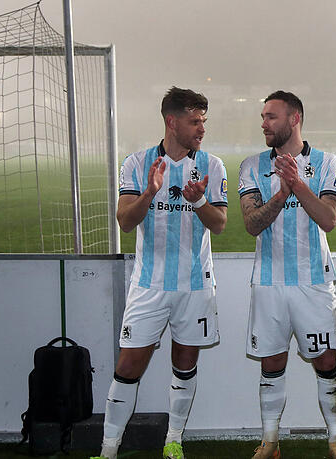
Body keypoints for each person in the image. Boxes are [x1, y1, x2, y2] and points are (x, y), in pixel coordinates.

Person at [93, 87, 228, 459]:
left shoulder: (212, 166)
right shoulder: (136, 164)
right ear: (172, 121)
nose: (202, 129)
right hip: (148, 285)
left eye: (203, 121)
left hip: (195, 285)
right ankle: (108, 450)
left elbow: (219, 224)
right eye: (195, 121)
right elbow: (124, 221)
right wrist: (150, 192)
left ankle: (174, 441)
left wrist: (198, 199)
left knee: (185, 365)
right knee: (128, 366)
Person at [238, 90, 336, 459]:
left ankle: (335, 442)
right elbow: (252, 224)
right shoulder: (251, 166)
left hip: (314, 282)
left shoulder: (327, 162)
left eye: (271, 116)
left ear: (294, 118)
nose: (264, 123)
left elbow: (329, 220)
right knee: (271, 363)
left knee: (326, 361)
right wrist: (280, 193)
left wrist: (297, 185)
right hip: (269, 282)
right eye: (264, 116)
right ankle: (270, 442)